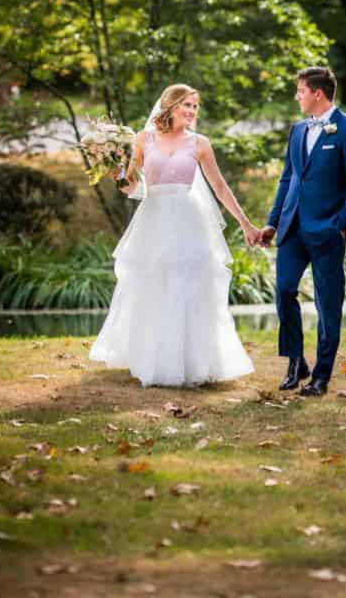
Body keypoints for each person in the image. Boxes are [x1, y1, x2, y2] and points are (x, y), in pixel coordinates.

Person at [89, 84, 258, 388]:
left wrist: (246, 224)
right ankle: (154, 361)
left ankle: (195, 362)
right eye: (187, 105)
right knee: (153, 285)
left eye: (195, 106)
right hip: (153, 220)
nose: (192, 111)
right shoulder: (144, 140)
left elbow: (219, 187)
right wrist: (114, 172)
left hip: (189, 221)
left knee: (190, 286)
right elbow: (133, 187)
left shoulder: (200, 144)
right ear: (170, 106)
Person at [259, 66, 346, 397]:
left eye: (300, 91)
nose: (297, 96)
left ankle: (321, 377)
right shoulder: (297, 130)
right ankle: (296, 361)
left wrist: (341, 226)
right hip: (292, 228)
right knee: (283, 291)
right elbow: (287, 179)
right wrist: (273, 221)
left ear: (317, 93)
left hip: (327, 231)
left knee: (327, 303)